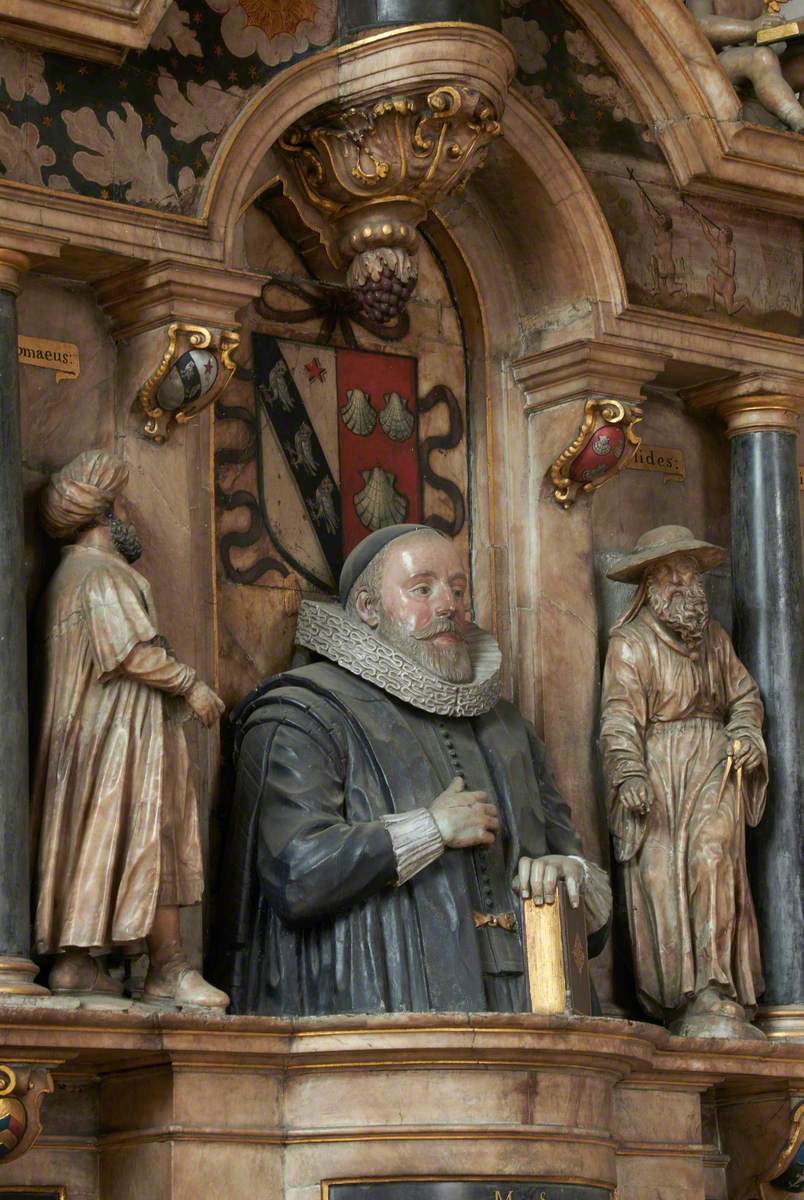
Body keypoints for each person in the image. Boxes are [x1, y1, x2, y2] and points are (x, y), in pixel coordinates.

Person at [218, 524, 610, 1015]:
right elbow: (297, 872)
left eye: (459, 589)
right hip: (378, 1012)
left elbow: (593, 927)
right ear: (367, 609)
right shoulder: (303, 712)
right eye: (423, 589)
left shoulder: (508, 727)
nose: (449, 604)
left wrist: (569, 876)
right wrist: (431, 829)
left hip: (533, 1014)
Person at [34, 449, 229, 1009]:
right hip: (122, 737)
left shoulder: (66, 578)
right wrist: (192, 684)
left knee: (98, 841)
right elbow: (131, 652)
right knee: (153, 836)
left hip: (94, 739)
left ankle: (77, 963)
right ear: (104, 515)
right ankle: (168, 968)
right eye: (123, 507)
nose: (132, 519)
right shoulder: (100, 577)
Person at [600, 526, 767, 1038]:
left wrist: (743, 731)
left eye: (690, 575)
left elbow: (745, 697)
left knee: (712, 857)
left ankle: (718, 989)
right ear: (649, 585)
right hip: (659, 772)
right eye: (670, 575)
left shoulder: (715, 639)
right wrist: (628, 771)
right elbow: (618, 718)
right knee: (658, 878)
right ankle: (680, 998)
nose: (683, 585)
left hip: (715, 767)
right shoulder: (631, 644)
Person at [687, 0, 804, 131]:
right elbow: (697, 24)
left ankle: (796, 133)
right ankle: (797, 118)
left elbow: (765, 37)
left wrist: (783, 33)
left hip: (759, 65)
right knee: (760, 58)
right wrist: (750, 28)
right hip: (717, 63)